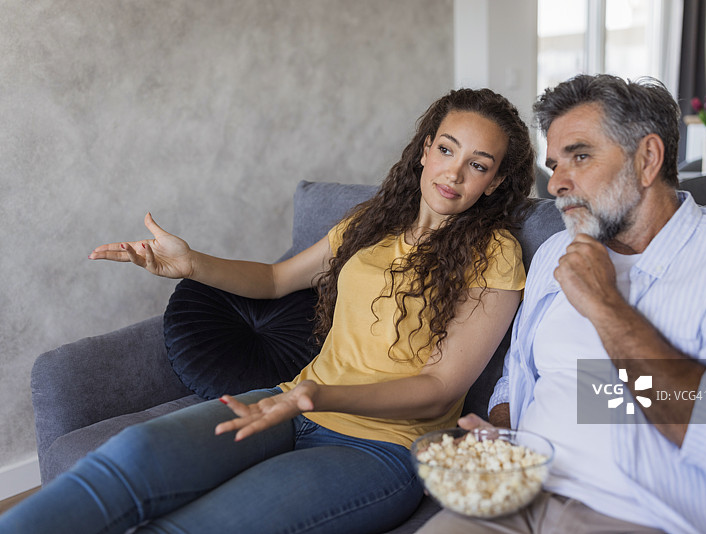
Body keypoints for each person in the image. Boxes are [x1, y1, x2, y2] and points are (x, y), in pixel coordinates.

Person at [0, 88, 533, 534]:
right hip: (287, 405)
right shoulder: (373, 220)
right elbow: (277, 279)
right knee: (129, 460)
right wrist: (191, 264)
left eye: (477, 165)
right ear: (423, 149)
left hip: (380, 449)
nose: (454, 173)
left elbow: (440, 385)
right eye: (447, 149)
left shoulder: (496, 254)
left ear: (495, 181)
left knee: (200, 526)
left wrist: (314, 396)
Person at [417, 74, 706, 534]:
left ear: (647, 159)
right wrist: (499, 436)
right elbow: (517, 380)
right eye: (554, 163)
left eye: (580, 156)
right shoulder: (556, 254)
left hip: (649, 516)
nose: (557, 183)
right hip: (517, 496)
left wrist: (604, 305)